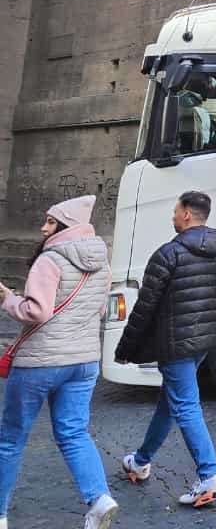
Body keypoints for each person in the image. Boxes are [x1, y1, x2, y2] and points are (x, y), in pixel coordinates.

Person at [0, 195, 117, 529]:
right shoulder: (102, 262)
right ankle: (99, 499)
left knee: (11, 439)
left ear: (66, 226)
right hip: (84, 361)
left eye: (50, 222)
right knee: (74, 433)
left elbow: (36, 311)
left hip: (41, 361)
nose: (43, 227)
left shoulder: (50, 259)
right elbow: (97, 309)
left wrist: (10, 300)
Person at [114, 190, 216, 508]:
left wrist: (125, 348)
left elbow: (145, 308)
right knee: (171, 402)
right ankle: (140, 462)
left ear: (186, 215)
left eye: (174, 211)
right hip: (203, 342)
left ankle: (209, 476)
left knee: (185, 407)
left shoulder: (168, 254)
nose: (172, 216)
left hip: (174, 344)